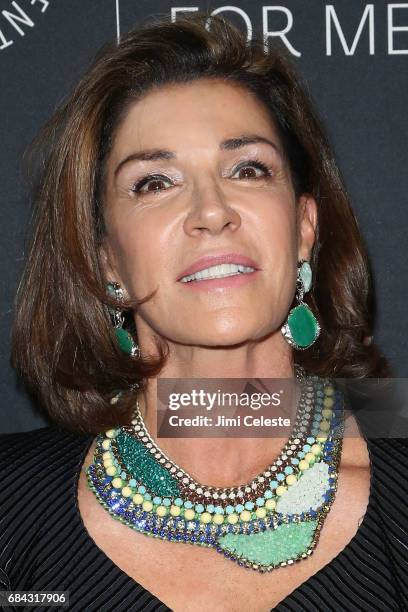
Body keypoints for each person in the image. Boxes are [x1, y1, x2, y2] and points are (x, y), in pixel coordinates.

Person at [1, 12, 407, 612]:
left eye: (247, 169)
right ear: (106, 258)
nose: (211, 211)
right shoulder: (10, 505)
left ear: (303, 227)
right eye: (154, 182)